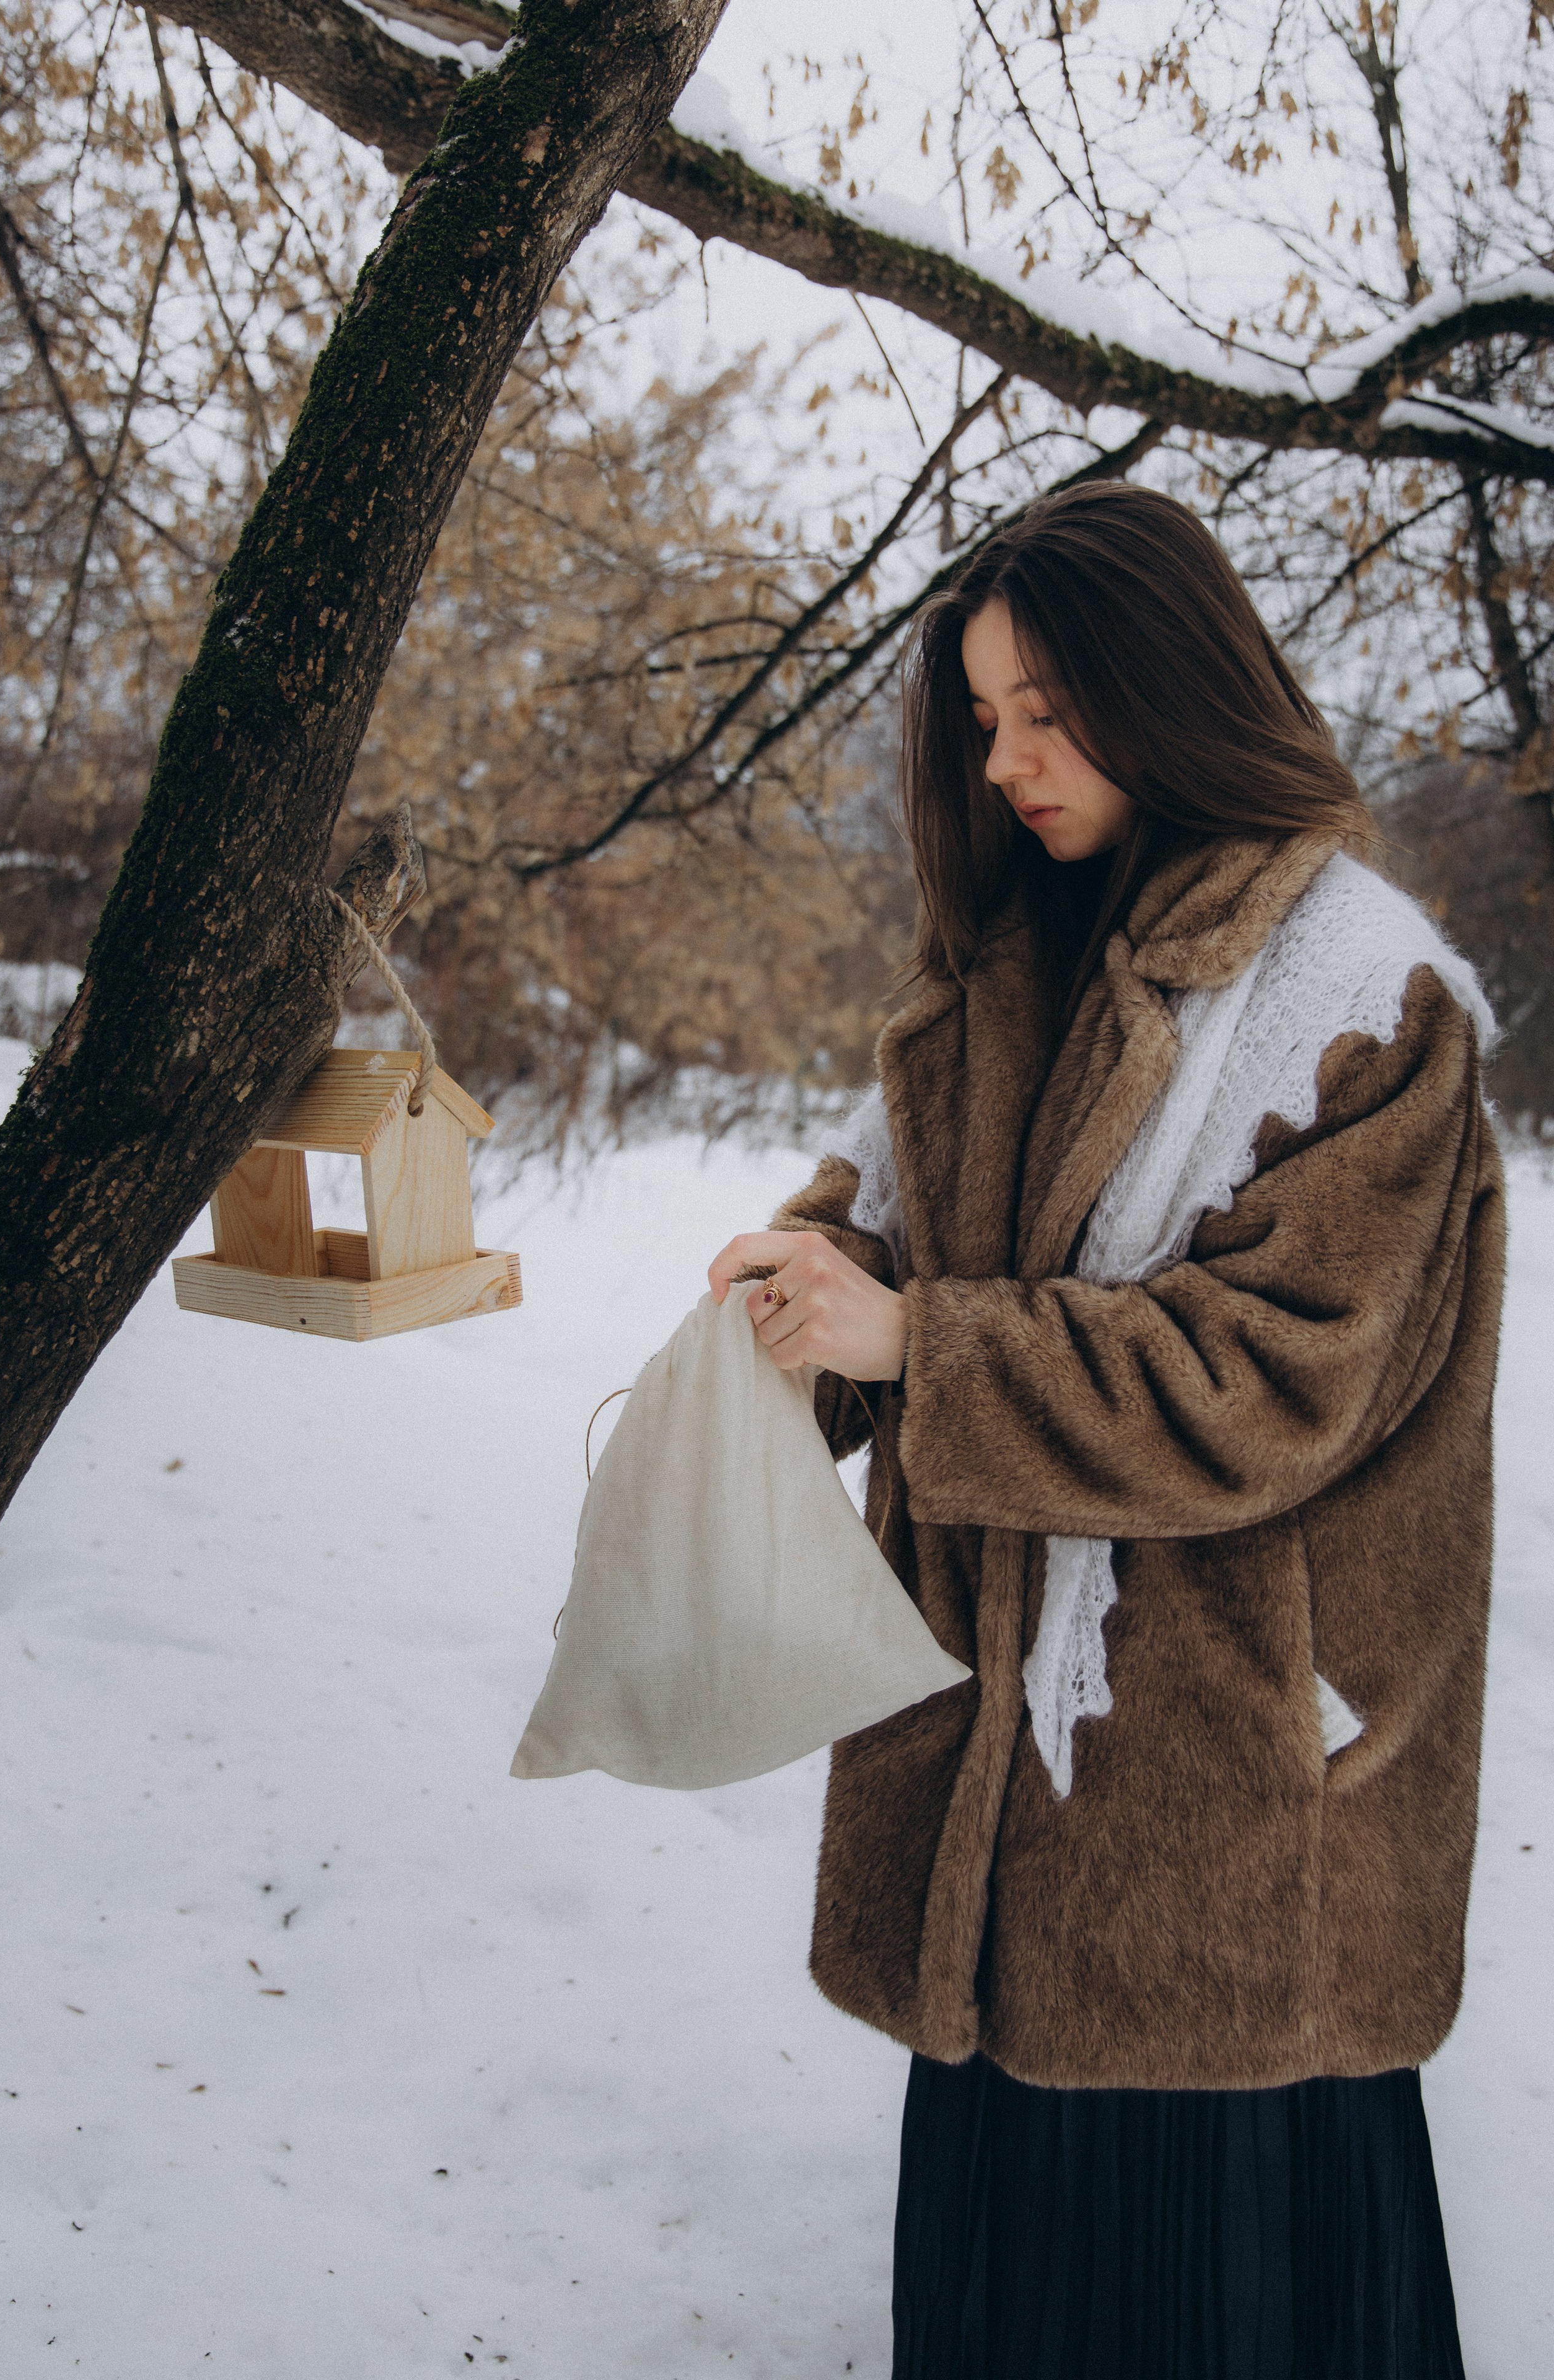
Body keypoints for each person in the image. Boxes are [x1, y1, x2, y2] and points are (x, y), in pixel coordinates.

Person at [707, 482, 1504, 2380]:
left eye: (1048, 709)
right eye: (984, 720)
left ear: (1170, 684)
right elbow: (904, 1235)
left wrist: (921, 1341)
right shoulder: (1010, 973)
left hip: (1227, 1802)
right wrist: (801, 1301)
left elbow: (1269, 1377)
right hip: (1017, 1794)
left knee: (1214, 2303)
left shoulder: (1358, 1001)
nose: (1010, 763)